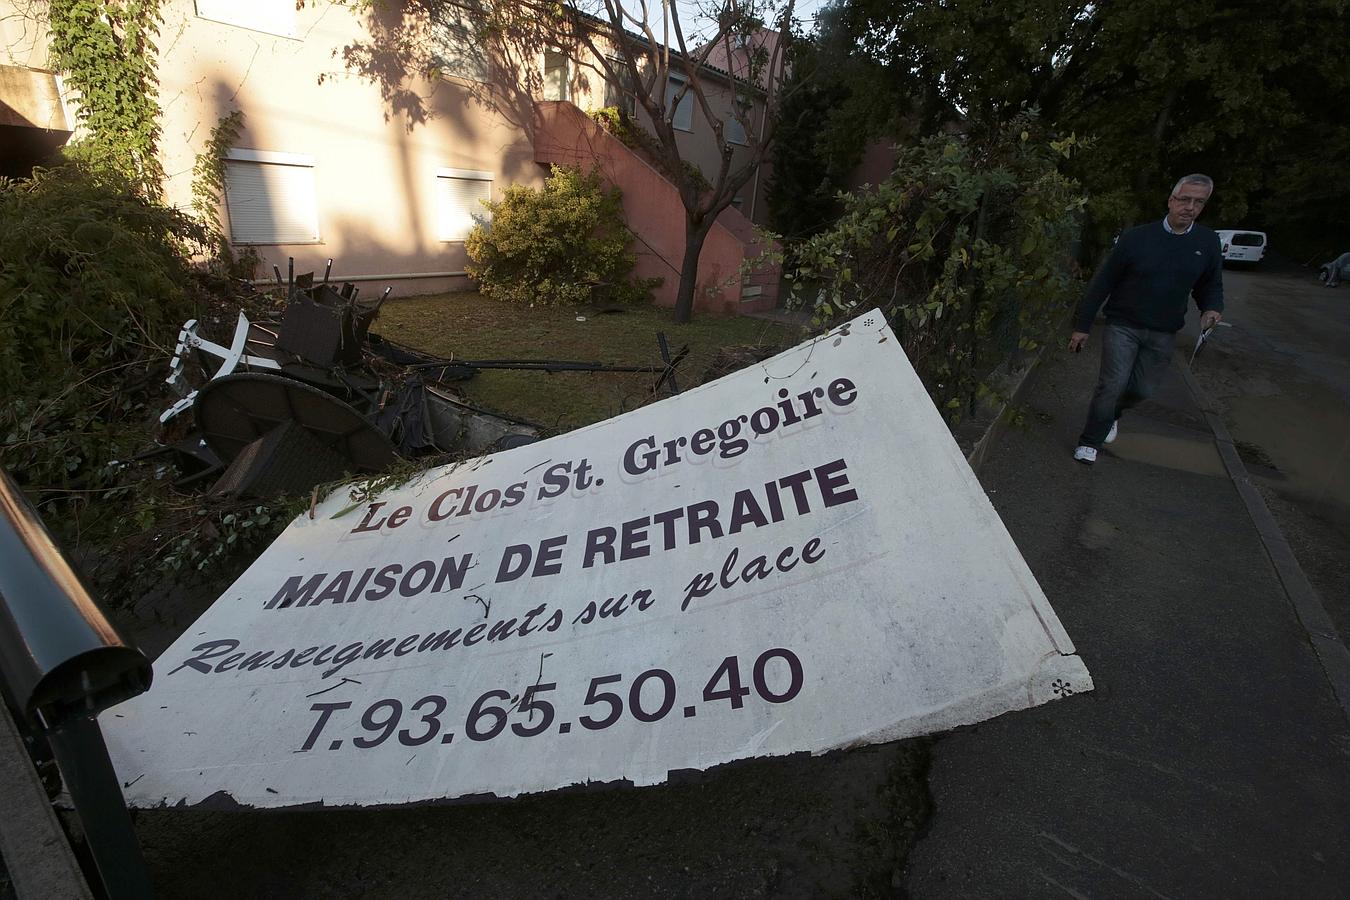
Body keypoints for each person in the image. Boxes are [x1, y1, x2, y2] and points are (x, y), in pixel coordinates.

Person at [1069, 175, 1224, 464]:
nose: (1190, 207)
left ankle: (1111, 415)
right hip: (1123, 324)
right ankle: (1089, 442)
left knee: (1143, 389)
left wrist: (1211, 308)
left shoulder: (1207, 242)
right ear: (1171, 200)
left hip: (1164, 331)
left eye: (1198, 202)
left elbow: (1210, 284)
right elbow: (1103, 282)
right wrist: (1083, 326)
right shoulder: (1137, 238)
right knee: (1112, 384)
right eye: (1185, 199)